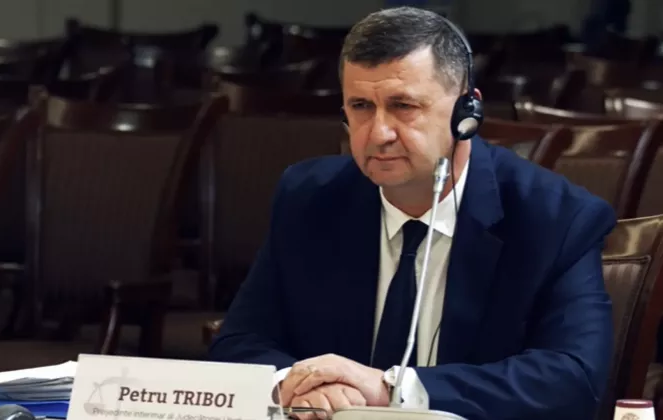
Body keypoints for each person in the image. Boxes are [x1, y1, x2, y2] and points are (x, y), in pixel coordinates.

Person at [209, 6, 616, 420]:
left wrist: (393, 390)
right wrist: (295, 383)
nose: (379, 133)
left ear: (467, 113)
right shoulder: (310, 198)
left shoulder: (555, 218)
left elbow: (573, 377)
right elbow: (239, 341)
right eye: (361, 106)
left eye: (403, 105)